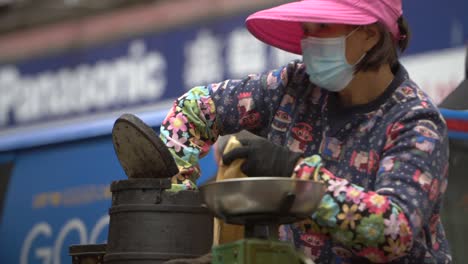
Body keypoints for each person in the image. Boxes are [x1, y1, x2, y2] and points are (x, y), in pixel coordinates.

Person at [159, 0, 451, 262]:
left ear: (369, 35)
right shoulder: (293, 86)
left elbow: (393, 231)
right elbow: (196, 108)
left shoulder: (415, 122)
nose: (309, 41)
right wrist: (178, 196)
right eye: (307, 28)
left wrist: (294, 172)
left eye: (323, 26)